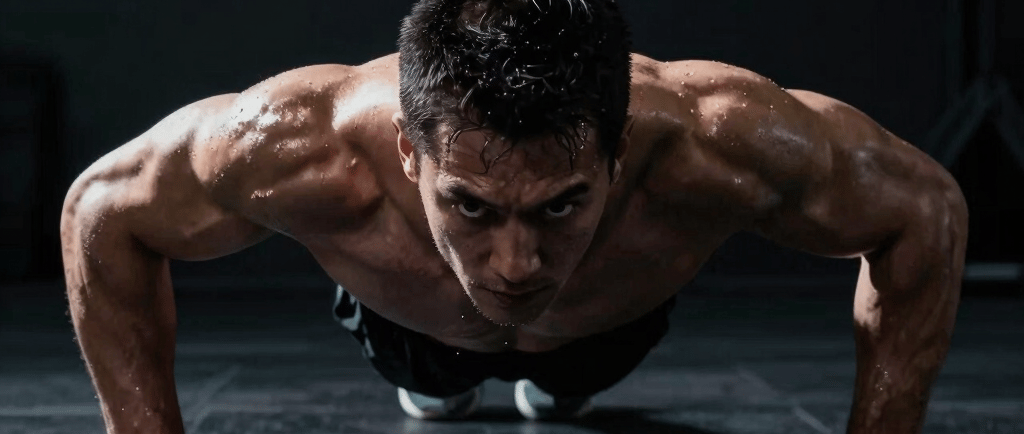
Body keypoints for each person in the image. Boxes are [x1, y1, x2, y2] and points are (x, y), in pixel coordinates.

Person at [60, 0, 967, 432]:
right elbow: (102, 209)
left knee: (566, 391)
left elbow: (923, 207)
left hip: (608, 330)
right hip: (405, 330)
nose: (515, 263)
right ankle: (439, 387)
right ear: (409, 152)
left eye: (561, 204)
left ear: (618, 150)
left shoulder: (719, 138)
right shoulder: (297, 143)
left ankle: (558, 386)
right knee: (434, 393)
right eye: (471, 204)